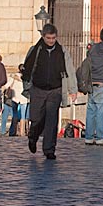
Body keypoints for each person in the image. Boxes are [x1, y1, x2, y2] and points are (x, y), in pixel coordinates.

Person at [22, 23, 77, 160]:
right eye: (48, 38)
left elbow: (69, 70)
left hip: (55, 90)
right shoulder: (35, 50)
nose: (51, 41)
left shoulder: (62, 51)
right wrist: (27, 87)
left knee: (52, 121)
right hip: (38, 89)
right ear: (43, 37)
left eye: (53, 38)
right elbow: (28, 69)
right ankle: (33, 136)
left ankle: (49, 149)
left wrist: (73, 89)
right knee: (36, 119)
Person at [1, 64, 29, 136]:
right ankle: (22, 132)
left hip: (15, 98)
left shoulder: (14, 76)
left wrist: (1, 90)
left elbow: (7, 85)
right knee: (23, 116)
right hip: (24, 98)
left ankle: (13, 131)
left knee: (15, 115)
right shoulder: (27, 78)